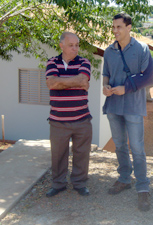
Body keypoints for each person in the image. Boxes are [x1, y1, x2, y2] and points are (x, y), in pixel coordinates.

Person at [102, 13, 151, 211]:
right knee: (120, 145)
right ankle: (124, 178)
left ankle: (142, 187)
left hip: (133, 106)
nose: (115, 31)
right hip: (113, 105)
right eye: (113, 27)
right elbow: (105, 74)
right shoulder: (108, 51)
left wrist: (126, 88)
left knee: (137, 148)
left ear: (129, 27)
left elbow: (148, 78)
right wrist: (105, 86)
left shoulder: (142, 49)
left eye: (119, 27)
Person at [45, 31, 92, 197]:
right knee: (58, 155)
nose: (75, 48)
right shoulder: (52, 62)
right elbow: (51, 83)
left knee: (82, 154)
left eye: (77, 45)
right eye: (71, 45)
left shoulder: (84, 62)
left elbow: (83, 80)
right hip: (58, 121)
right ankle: (58, 184)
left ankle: (79, 183)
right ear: (61, 46)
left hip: (82, 120)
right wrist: (75, 81)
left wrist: (61, 81)